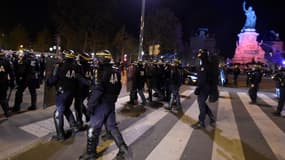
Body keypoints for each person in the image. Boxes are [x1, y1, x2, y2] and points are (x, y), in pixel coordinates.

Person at [79, 50, 131, 160]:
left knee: (93, 129)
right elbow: (119, 87)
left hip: (101, 104)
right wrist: (112, 99)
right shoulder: (116, 71)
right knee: (112, 127)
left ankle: (91, 154)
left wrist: (90, 106)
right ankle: (123, 149)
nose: (96, 61)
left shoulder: (100, 72)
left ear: (102, 59)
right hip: (110, 104)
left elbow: (98, 90)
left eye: (98, 59)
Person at [46, 50, 80, 141]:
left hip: (62, 92)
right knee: (66, 109)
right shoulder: (76, 67)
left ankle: (60, 135)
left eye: (62, 56)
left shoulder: (60, 66)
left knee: (58, 113)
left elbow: (54, 79)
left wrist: (48, 81)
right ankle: (74, 126)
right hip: (71, 92)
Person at [192, 49, 215, 129]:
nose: (198, 55)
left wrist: (198, 88)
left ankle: (201, 122)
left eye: (200, 53)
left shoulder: (205, 66)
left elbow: (202, 79)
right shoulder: (205, 64)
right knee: (202, 103)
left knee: (201, 104)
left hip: (204, 88)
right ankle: (211, 116)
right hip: (205, 87)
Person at [0, 51, 15, 117]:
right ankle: (7, 111)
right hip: (3, 81)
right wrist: (12, 82)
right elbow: (11, 73)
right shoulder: (7, 61)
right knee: (3, 97)